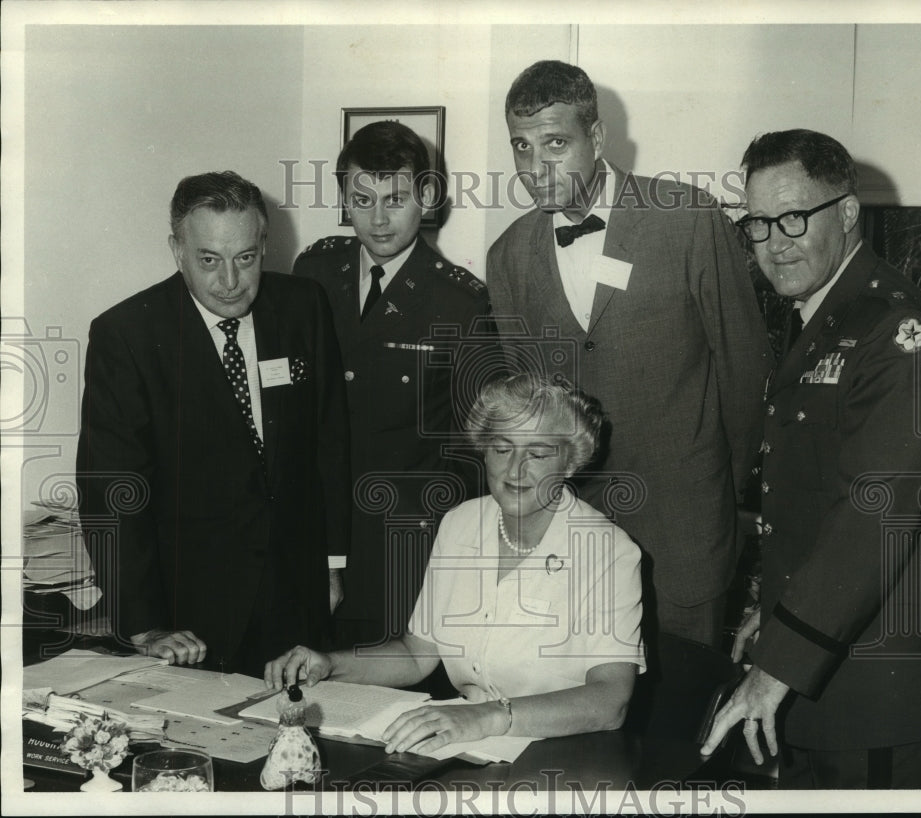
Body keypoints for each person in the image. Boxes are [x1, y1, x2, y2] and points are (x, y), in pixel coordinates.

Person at [700, 129, 921, 788]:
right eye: (759, 224)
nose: (775, 241)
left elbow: (872, 513)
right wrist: (768, 612)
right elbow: (811, 496)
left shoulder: (894, 327)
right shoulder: (825, 316)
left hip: (878, 690)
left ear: (848, 213)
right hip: (823, 663)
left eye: (794, 216)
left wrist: (779, 663)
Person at [486, 60, 773, 649]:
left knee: (682, 721)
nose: (536, 168)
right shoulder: (508, 255)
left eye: (555, 144)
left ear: (596, 138)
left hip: (685, 533)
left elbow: (746, 375)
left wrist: (719, 490)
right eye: (522, 147)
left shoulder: (689, 218)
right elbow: (529, 411)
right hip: (574, 539)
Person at [265, 373, 645, 753]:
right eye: (501, 449)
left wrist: (485, 717)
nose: (515, 469)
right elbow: (418, 654)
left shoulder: (607, 551)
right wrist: (330, 663)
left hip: (566, 756)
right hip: (471, 745)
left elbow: (611, 700)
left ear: (571, 463)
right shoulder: (461, 523)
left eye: (539, 454)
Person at [76, 171, 351, 676]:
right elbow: (111, 489)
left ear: (264, 245)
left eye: (245, 258)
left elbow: (329, 443)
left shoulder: (303, 307)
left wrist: (333, 566)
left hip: (298, 599)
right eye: (209, 260)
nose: (230, 281)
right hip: (191, 619)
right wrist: (144, 625)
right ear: (177, 250)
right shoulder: (128, 335)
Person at [293, 121, 494, 649]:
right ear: (343, 197)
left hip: (404, 546)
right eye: (362, 199)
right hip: (313, 533)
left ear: (425, 197)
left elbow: (474, 451)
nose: (378, 218)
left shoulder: (460, 302)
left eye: (396, 198)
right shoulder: (312, 272)